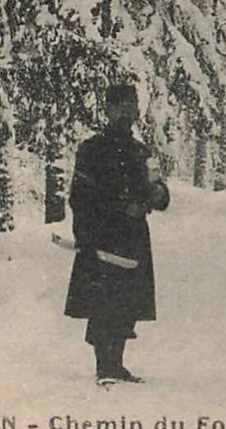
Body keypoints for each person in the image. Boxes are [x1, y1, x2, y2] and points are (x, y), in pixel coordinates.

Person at [63, 82, 170, 383]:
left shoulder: (142, 152)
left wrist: (152, 196)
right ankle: (103, 365)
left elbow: (160, 192)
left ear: (137, 111)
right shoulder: (92, 149)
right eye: (119, 105)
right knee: (102, 301)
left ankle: (117, 363)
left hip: (133, 237)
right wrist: (87, 234)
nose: (125, 111)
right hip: (101, 234)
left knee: (128, 302)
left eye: (130, 105)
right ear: (107, 110)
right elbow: (80, 196)